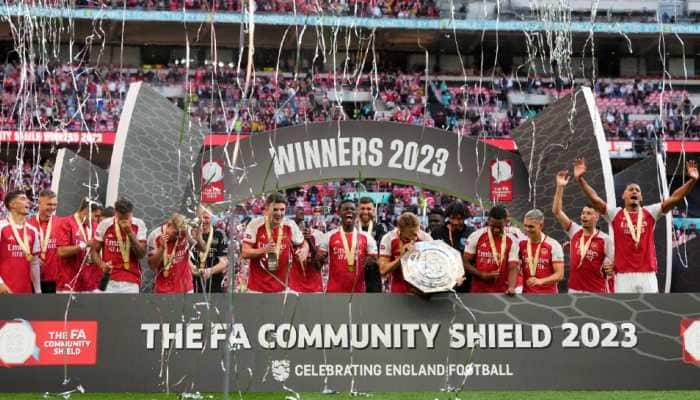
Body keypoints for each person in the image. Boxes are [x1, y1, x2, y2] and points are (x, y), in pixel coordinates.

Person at [574, 158, 698, 293]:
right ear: (623, 196)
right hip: (623, 276)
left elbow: (675, 198)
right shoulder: (615, 214)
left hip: (648, 275)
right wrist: (580, 180)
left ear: (641, 198)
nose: (634, 191)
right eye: (630, 189)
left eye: (637, 190)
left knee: (650, 312)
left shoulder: (651, 212)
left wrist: (692, 181)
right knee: (626, 313)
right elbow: (595, 199)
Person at [552, 171, 614, 293]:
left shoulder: (605, 239)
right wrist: (560, 187)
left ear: (596, 217)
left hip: (596, 290)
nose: (584, 216)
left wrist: (611, 267)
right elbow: (557, 212)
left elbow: (613, 265)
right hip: (574, 290)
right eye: (583, 213)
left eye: (588, 213)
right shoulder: (575, 231)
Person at [241, 193, 310, 293]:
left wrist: (305, 250)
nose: (279, 213)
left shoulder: (290, 225)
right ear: (267, 209)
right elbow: (245, 252)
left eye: (282, 210)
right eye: (275, 209)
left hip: (282, 288)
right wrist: (264, 250)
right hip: (257, 289)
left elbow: (304, 243)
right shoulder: (255, 225)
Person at [317, 199, 378, 293]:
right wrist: (316, 255)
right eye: (345, 209)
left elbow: (375, 260)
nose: (349, 211)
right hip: (334, 292)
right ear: (339, 213)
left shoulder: (367, 237)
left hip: (359, 292)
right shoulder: (329, 236)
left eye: (352, 209)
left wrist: (371, 261)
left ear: (356, 212)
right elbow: (317, 264)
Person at [91, 198, 148, 293]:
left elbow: (141, 254)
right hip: (109, 280)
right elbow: (94, 251)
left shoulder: (138, 224)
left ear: (131, 213)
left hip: (131, 280)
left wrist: (130, 233)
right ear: (116, 213)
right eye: (121, 218)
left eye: (127, 218)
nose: (124, 221)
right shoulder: (105, 224)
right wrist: (102, 265)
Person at [464, 205, 521, 294]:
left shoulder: (512, 240)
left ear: (506, 222)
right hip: (478, 291)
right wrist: (481, 275)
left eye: (500, 227)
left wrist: (511, 287)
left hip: (501, 293)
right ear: (489, 220)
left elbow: (513, 268)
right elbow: (465, 262)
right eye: (493, 226)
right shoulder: (476, 236)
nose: (496, 230)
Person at [378, 212, 432, 293]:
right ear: (400, 230)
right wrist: (402, 257)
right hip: (397, 287)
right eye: (410, 235)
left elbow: (433, 266)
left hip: (420, 289)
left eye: (416, 232)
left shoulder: (426, 238)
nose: (415, 237)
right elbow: (382, 270)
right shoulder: (388, 238)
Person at [0, 190, 41, 294]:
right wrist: (0, 283)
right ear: (12, 204)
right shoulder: (1, 227)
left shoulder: (33, 231)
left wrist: (37, 290)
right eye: (23, 199)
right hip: (4, 289)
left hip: (25, 290)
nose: (28, 201)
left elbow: (34, 263)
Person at [514, 209, 564, 294]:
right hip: (527, 296)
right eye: (525, 226)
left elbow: (559, 275)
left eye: (531, 226)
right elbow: (515, 267)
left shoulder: (553, 245)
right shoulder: (521, 244)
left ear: (541, 225)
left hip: (548, 296)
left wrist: (541, 281)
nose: (527, 229)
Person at [56, 198, 101, 292]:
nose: (96, 220)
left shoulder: (95, 226)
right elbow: (61, 251)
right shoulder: (66, 223)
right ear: (86, 211)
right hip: (68, 283)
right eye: (95, 216)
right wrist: (84, 245)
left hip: (89, 284)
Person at [430, 201, 475, 292]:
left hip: (464, 281)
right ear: (448, 217)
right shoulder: (437, 233)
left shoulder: (471, 233)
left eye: (459, 219)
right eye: (452, 218)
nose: (455, 222)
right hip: (443, 282)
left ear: (465, 218)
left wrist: (463, 275)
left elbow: (473, 260)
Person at [147, 214, 194, 294]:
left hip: (186, 289)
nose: (178, 236)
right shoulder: (155, 235)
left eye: (180, 233)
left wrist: (188, 235)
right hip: (164, 290)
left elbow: (200, 248)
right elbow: (152, 266)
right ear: (169, 224)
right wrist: (162, 248)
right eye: (176, 233)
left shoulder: (186, 232)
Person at [27, 189, 60, 293]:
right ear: (39, 203)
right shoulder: (28, 225)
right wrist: (33, 259)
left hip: (55, 280)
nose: (52, 208)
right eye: (49, 204)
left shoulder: (61, 224)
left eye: (55, 205)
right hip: (32, 279)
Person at [190, 206, 228, 293]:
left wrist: (209, 271)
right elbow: (185, 258)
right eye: (200, 217)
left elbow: (223, 262)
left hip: (214, 284)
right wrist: (193, 270)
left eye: (206, 217)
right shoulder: (190, 233)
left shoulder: (219, 234)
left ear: (211, 218)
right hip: (192, 284)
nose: (203, 220)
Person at [356, 197, 387, 292]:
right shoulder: (351, 228)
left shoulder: (380, 228)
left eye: (369, 209)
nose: (365, 212)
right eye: (362, 208)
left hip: (373, 275)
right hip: (353, 273)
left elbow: (383, 251)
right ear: (357, 210)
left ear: (374, 211)